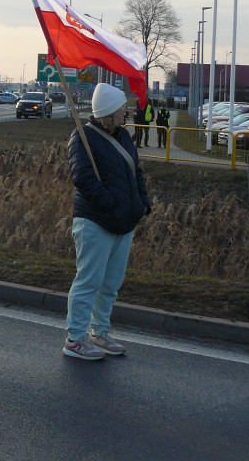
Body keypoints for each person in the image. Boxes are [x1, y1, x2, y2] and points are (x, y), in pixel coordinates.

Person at [63, 83, 151, 361]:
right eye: (122, 107)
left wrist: (142, 202)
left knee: (111, 283)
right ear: (109, 112)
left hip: (124, 221)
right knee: (89, 280)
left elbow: (135, 171)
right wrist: (111, 205)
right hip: (95, 220)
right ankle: (75, 338)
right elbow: (83, 179)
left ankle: (99, 332)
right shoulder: (82, 138)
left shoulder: (124, 136)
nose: (127, 111)